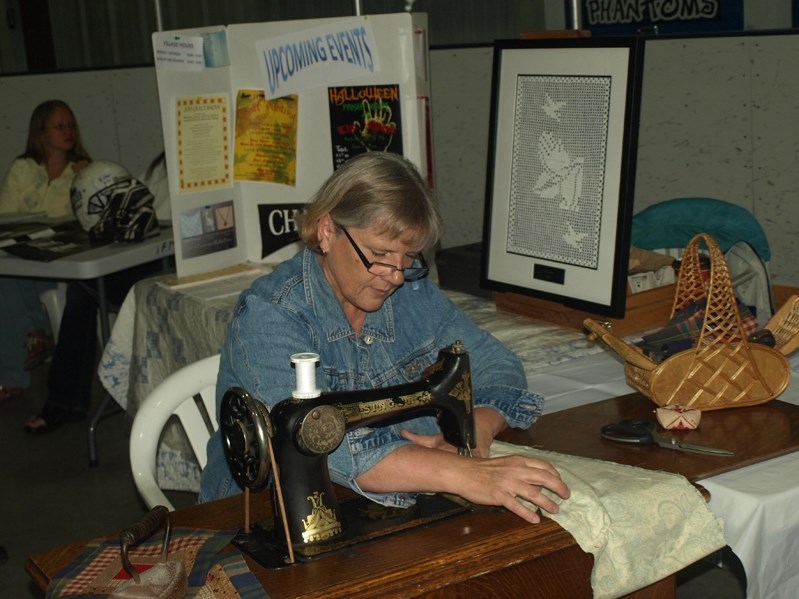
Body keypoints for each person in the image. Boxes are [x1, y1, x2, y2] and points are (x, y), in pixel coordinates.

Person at [199, 152, 570, 524]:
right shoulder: (271, 315)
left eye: (408, 256)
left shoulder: (413, 293)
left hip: (388, 507)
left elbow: (497, 365)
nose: (394, 275)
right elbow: (320, 445)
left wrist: (474, 433)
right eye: (378, 254)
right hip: (257, 519)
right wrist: (463, 474)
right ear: (327, 231)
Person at [0, 100, 91, 402]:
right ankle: (37, 336)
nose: (68, 132)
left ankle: (23, 358)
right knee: (6, 275)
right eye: (59, 126)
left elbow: (91, 222)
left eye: (71, 125)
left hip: (60, 264)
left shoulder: (85, 170)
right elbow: (5, 217)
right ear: (41, 132)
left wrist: (85, 178)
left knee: (8, 282)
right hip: (23, 258)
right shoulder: (22, 168)